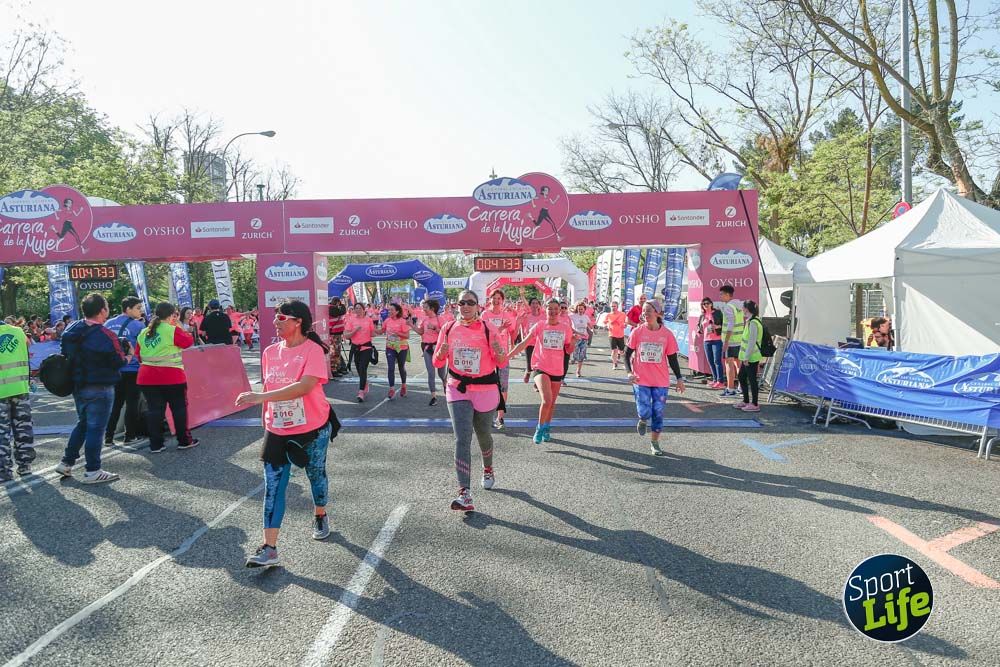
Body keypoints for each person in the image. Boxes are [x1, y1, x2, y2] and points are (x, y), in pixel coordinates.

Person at [236, 300, 335, 567]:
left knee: (316, 475)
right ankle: (269, 548)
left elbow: (304, 387)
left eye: (281, 317)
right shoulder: (269, 352)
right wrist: (265, 420)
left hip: (311, 428)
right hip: (277, 429)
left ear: (297, 321)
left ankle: (320, 513)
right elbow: (270, 387)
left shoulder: (313, 350)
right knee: (273, 487)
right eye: (275, 317)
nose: (275, 322)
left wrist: (259, 397)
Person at [432, 290, 506, 512]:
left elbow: (502, 362)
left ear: (478, 306)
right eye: (462, 302)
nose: (465, 306)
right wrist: (442, 354)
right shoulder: (448, 329)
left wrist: (499, 351)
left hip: (485, 389)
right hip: (458, 388)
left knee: (483, 435)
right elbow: (437, 362)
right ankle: (464, 492)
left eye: (470, 303)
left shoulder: (488, 329)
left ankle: (488, 468)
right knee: (461, 439)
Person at [55, 293, 128, 484]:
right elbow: (117, 361)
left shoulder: (72, 330)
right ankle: (93, 470)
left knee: (83, 423)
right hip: (100, 386)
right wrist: (128, 355)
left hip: (78, 384)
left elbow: (64, 353)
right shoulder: (106, 335)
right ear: (103, 310)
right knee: (96, 429)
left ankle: (67, 462)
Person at [509, 299, 577, 444]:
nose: (552, 312)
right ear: (545, 310)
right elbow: (524, 343)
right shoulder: (540, 325)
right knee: (546, 400)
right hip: (540, 367)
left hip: (557, 369)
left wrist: (573, 342)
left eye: (555, 309)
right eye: (549, 309)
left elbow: (568, 350)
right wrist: (508, 356)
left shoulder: (565, 327)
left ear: (559, 311)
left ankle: (547, 427)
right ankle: (539, 428)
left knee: (552, 403)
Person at [625, 300, 686, 456]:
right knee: (645, 411)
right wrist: (629, 372)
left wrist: (679, 378)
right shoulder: (637, 332)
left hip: (660, 381)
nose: (645, 314)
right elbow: (626, 354)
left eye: (649, 311)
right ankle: (643, 419)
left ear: (658, 313)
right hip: (641, 379)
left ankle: (655, 443)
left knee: (658, 413)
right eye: (644, 311)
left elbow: (672, 358)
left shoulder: (667, 335)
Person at [136, 302, 197, 452]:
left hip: (146, 377)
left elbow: (139, 355)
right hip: (172, 377)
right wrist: (179, 326)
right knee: (179, 409)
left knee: (154, 410)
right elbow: (188, 342)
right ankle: (184, 441)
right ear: (171, 316)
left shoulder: (144, 332)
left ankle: (156, 444)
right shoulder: (172, 330)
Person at [103, 296, 145, 445]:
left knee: (115, 403)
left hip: (113, 369)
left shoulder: (107, 324)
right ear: (128, 309)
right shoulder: (138, 326)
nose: (141, 311)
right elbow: (143, 347)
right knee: (132, 403)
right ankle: (130, 435)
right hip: (132, 368)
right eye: (138, 308)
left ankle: (108, 436)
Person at [0, 317, 34, 481]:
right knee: (23, 429)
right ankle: (25, 465)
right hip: (20, 389)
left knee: (2, 434)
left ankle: (4, 471)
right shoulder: (18, 332)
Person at [482, 290, 515, 429]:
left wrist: (517, 321)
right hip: (488, 354)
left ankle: (500, 416)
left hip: (502, 354)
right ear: (490, 299)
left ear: (502, 300)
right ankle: (487, 414)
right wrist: (500, 327)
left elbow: (513, 331)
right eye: (494, 298)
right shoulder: (485, 315)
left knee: (503, 386)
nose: (496, 301)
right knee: (486, 385)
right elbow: (483, 332)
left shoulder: (506, 315)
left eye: (499, 298)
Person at [416, 299, 448, 406]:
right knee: (431, 372)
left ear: (432, 309)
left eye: (425, 307)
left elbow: (445, 334)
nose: (423, 309)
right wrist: (411, 325)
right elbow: (421, 332)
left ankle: (445, 383)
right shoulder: (424, 319)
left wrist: (435, 328)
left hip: (438, 349)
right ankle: (433, 396)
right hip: (427, 348)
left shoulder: (440, 319)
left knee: (441, 373)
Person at [734, 300, 763, 413]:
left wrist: (746, 357)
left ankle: (755, 404)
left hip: (751, 357)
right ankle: (746, 401)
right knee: (741, 377)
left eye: (743, 307)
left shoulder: (753, 323)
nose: (742, 309)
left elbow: (751, 341)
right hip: (748, 356)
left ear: (747, 309)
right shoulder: (750, 321)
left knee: (752, 380)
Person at [344, 302, 377, 402]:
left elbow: (373, 333)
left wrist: (383, 331)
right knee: (358, 368)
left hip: (366, 347)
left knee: (363, 368)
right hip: (355, 348)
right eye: (356, 308)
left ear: (364, 309)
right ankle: (365, 383)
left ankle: (361, 391)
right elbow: (346, 335)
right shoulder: (351, 320)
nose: (357, 310)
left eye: (359, 308)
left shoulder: (369, 320)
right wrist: (355, 330)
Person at [719, 285, 744, 398]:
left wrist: (726, 342)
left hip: (731, 341)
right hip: (739, 340)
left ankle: (730, 389)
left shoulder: (729, 307)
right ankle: (741, 388)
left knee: (729, 364)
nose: (720, 296)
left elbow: (730, 325)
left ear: (728, 295)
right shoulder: (739, 305)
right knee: (738, 364)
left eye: (722, 294)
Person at [383, 303, 411, 400]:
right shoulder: (387, 321)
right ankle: (391, 389)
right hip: (390, 347)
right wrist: (369, 331)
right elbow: (381, 331)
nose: (389, 312)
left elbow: (407, 336)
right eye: (389, 310)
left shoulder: (403, 321)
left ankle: (403, 386)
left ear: (397, 311)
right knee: (391, 367)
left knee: (401, 367)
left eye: (391, 310)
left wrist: (397, 333)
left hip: (402, 347)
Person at [516, 298, 545, 383]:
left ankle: (537, 383)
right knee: (529, 364)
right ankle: (528, 371)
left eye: (536, 303)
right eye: (532, 303)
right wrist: (522, 338)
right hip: (529, 343)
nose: (535, 305)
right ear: (530, 305)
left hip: (540, 344)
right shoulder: (527, 316)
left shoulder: (543, 316)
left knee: (539, 365)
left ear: (539, 305)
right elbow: (522, 327)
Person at [699, 298, 725, 389]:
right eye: (704, 304)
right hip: (706, 340)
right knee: (710, 361)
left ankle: (720, 381)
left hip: (717, 340)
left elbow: (725, 324)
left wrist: (717, 326)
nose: (706, 305)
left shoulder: (717, 313)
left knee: (717, 361)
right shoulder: (702, 315)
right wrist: (699, 330)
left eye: (708, 303)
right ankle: (715, 380)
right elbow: (700, 326)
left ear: (711, 304)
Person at [569, 302, 592, 378]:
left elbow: (589, 325)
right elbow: (565, 317)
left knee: (581, 355)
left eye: (582, 309)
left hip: (584, 338)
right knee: (575, 354)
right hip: (576, 338)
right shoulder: (572, 316)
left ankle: (578, 371)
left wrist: (593, 329)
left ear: (584, 309)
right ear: (576, 309)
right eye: (579, 309)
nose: (580, 310)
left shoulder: (586, 317)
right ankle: (574, 358)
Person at [328, 298, 347, 376]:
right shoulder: (331, 309)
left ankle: (338, 368)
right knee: (334, 352)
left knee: (337, 352)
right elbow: (341, 311)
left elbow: (342, 311)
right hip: (334, 334)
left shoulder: (334, 308)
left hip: (337, 333)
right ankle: (333, 369)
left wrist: (340, 305)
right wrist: (341, 305)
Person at [605, 301, 627, 370]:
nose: (613, 308)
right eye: (612, 306)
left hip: (620, 335)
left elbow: (626, 322)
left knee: (622, 351)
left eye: (614, 306)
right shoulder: (608, 315)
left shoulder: (622, 314)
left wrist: (625, 325)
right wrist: (607, 325)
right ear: (610, 307)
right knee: (614, 350)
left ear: (617, 307)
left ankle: (625, 363)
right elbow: (605, 322)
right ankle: (615, 364)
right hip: (612, 334)